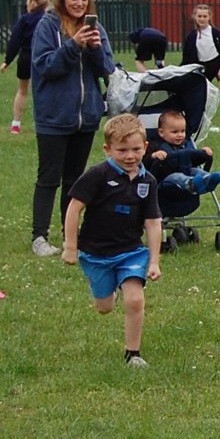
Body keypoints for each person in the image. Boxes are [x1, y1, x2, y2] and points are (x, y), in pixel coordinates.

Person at [61, 111, 162, 368]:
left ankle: (133, 354)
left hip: (131, 252)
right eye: (122, 150)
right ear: (108, 150)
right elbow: (74, 208)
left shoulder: (148, 182)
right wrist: (70, 247)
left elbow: (152, 222)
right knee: (104, 307)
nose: (130, 156)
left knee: (135, 299)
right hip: (96, 253)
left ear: (146, 147)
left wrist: (153, 261)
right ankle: (109, 289)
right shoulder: (97, 175)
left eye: (136, 149)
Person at [30, 0, 115, 258]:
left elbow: (107, 69)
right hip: (54, 116)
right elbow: (45, 67)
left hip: (86, 116)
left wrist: (94, 48)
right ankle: (39, 237)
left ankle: (70, 237)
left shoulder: (95, 27)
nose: (79, 3)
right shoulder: (48, 25)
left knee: (75, 180)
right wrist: (73, 45)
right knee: (49, 177)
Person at [0, 0, 50, 133]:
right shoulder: (48, 19)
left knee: (22, 91)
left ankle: (16, 123)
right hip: (42, 56)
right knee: (42, 90)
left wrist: (7, 60)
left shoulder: (24, 19)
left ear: (33, 3)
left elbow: (14, 41)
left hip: (26, 56)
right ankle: (43, 122)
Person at [180, 3, 220, 123]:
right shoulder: (191, 36)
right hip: (202, 67)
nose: (202, 19)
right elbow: (187, 57)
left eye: (204, 16)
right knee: (201, 96)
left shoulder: (216, 33)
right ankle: (203, 120)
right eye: (199, 16)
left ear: (209, 17)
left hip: (218, 64)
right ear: (195, 17)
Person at [146, 107, 220, 197]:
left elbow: (195, 161)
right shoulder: (155, 145)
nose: (180, 135)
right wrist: (153, 155)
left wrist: (203, 153)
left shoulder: (185, 144)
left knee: (196, 170)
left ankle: (207, 179)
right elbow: (145, 162)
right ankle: (190, 184)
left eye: (182, 131)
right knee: (178, 177)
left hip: (187, 170)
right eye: (175, 132)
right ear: (161, 132)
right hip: (166, 177)